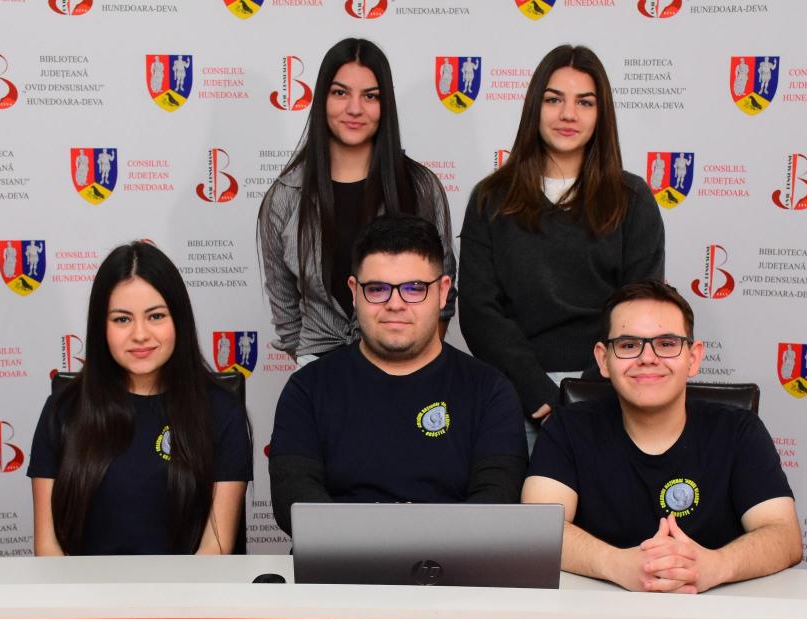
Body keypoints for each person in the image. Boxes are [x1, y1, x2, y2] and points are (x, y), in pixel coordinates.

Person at [522, 280, 801, 593]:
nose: (648, 357)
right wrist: (616, 564)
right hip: (598, 612)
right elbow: (537, 529)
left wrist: (714, 566)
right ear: (603, 360)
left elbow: (784, 535)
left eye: (667, 344)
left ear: (693, 358)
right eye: (628, 345)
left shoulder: (739, 430)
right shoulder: (567, 427)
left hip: (714, 612)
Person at [268, 215, 525, 535]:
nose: (395, 304)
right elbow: (293, 501)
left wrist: (415, 541)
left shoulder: (490, 391)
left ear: (443, 292)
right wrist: (380, 541)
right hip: (340, 561)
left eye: (414, 289)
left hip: (453, 561)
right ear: (354, 292)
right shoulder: (308, 388)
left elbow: (496, 503)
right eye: (377, 289)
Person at [460, 44, 664, 440]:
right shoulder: (490, 198)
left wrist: (584, 394)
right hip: (517, 396)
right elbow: (478, 311)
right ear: (535, 107)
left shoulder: (633, 199)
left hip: (609, 394)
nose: (568, 114)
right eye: (554, 99)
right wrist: (538, 392)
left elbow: (641, 311)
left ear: (601, 114)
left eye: (584, 102)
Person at [29, 241, 251, 556]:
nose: (140, 334)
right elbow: (48, 547)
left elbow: (215, 547)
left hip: (189, 587)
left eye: (156, 316)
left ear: (179, 320)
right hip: (83, 588)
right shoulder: (63, 410)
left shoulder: (221, 412)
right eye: (122, 319)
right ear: (100, 326)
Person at [258, 37, 457, 365]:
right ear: (322, 99)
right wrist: (310, 365)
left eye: (370, 96)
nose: (354, 108)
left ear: (385, 105)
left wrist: (416, 363)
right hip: (319, 367)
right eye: (340, 93)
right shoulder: (285, 196)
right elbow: (284, 305)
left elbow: (442, 295)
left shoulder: (421, 187)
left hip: (405, 365)